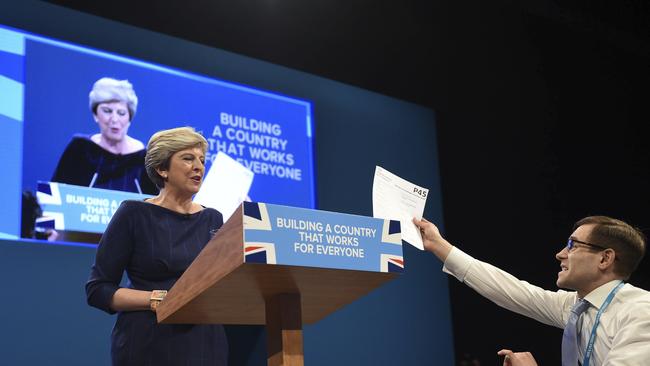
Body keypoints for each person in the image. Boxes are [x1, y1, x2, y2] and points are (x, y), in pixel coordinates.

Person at [413, 215, 650, 366]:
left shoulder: (640, 311)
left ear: (605, 258)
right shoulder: (576, 307)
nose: (561, 254)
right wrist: (439, 245)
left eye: (573, 245)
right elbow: (511, 291)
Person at [86, 127, 227, 365]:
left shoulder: (213, 219)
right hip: (148, 342)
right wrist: (157, 299)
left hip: (205, 343)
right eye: (188, 158)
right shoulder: (133, 213)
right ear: (162, 169)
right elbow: (98, 289)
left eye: (202, 160)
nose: (199, 166)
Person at [52, 77, 156, 194]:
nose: (114, 119)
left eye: (121, 113)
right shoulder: (80, 148)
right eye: (107, 111)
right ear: (95, 115)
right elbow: (54, 195)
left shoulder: (145, 158)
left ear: (129, 118)